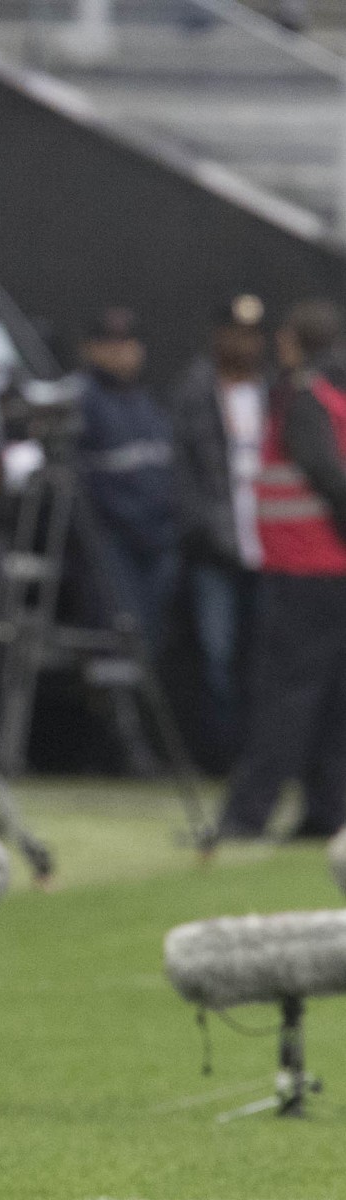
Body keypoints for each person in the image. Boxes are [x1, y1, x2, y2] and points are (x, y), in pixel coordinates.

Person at [216, 299, 346, 842]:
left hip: (305, 564)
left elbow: (324, 475)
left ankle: (249, 813)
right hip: (330, 568)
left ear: (293, 341)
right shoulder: (334, 393)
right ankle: (328, 811)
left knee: (285, 694)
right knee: (333, 698)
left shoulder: (303, 395)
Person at [171, 295, 267, 773]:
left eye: (252, 334)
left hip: (271, 544)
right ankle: (222, 757)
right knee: (217, 655)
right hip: (217, 548)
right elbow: (186, 474)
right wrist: (208, 533)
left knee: (263, 657)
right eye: (235, 332)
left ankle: (261, 757)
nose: (243, 343)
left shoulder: (277, 395)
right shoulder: (196, 391)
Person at [76, 306, 178, 659]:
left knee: (151, 641)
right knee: (119, 637)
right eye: (110, 342)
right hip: (110, 542)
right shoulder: (82, 400)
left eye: (128, 342)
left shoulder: (147, 402)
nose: (121, 351)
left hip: (158, 540)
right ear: (90, 348)